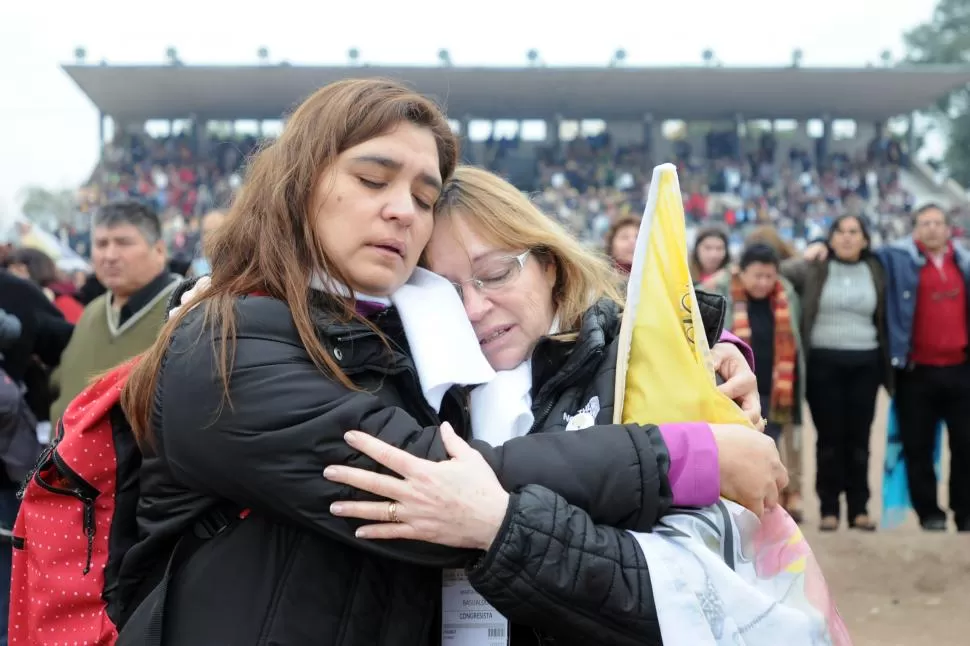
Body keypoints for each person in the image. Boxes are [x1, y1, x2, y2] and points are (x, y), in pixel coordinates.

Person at [117, 81, 781, 646]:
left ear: (549, 264)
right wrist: (690, 455)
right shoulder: (225, 343)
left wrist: (712, 358)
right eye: (374, 178)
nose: (402, 209)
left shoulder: (397, 344)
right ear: (298, 182)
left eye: (424, 196)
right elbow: (435, 482)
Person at [324, 166, 787, 645]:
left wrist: (498, 528)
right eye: (444, 291)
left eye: (496, 273)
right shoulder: (408, 387)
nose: (472, 308)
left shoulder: (637, 368)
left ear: (549, 264)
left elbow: (694, 594)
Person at [805, 203, 970, 532]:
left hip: (954, 367)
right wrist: (819, 245)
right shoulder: (895, 260)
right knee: (911, 447)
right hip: (911, 369)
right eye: (925, 223)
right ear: (915, 229)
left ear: (949, 228)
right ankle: (927, 513)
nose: (933, 229)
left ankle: (964, 512)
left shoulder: (963, 263)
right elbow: (796, 265)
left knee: (965, 445)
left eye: (938, 223)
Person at [782, 214, 887, 531]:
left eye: (854, 232)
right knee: (828, 438)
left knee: (859, 438)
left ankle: (859, 508)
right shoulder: (815, 267)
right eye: (839, 232)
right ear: (830, 238)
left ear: (865, 239)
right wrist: (809, 250)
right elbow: (778, 273)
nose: (846, 237)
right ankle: (829, 508)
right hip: (822, 362)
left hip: (866, 362)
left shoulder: (876, 269)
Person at [49, 200, 179, 425]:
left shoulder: (187, 310)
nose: (109, 255)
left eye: (123, 243)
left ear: (159, 250)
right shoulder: (92, 311)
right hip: (62, 456)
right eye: (101, 244)